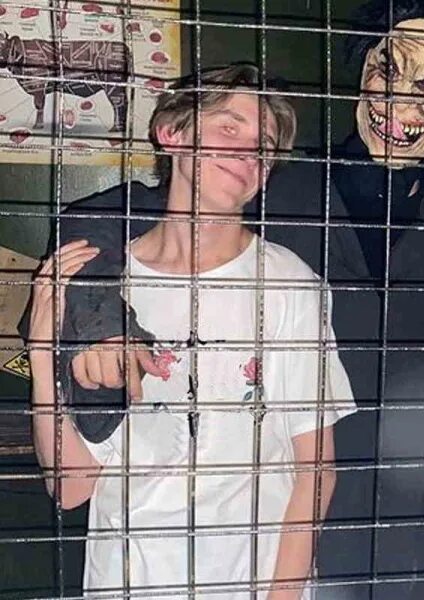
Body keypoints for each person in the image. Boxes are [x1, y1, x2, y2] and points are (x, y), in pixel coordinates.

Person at [18, 2, 424, 598]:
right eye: (388, 70)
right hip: (274, 527)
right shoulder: (271, 185)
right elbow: (109, 220)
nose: (402, 100)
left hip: (400, 530)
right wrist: (93, 309)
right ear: (363, 72)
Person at [25, 64, 355, 598]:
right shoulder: (104, 286)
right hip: (127, 580)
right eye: (229, 128)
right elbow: (71, 486)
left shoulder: (287, 283)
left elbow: (316, 473)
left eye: (264, 146)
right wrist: (43, 356)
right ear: (171, 133)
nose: (248, 153)